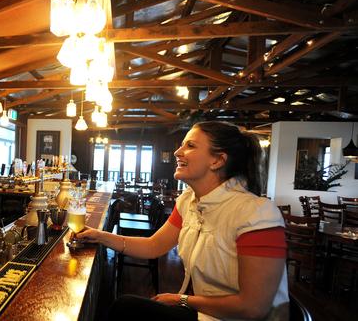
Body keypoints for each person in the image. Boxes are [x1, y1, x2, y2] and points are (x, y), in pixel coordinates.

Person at [76, 121, 288, 321]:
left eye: (190, 145)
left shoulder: (257, 214)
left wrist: (182, 300)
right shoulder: (188, 201)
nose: (178, 152)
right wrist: (100, 236)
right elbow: (154, 246)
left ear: (217, 160)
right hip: (204, 313)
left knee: (125, 309)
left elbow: (253, 308)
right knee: (124, 308)